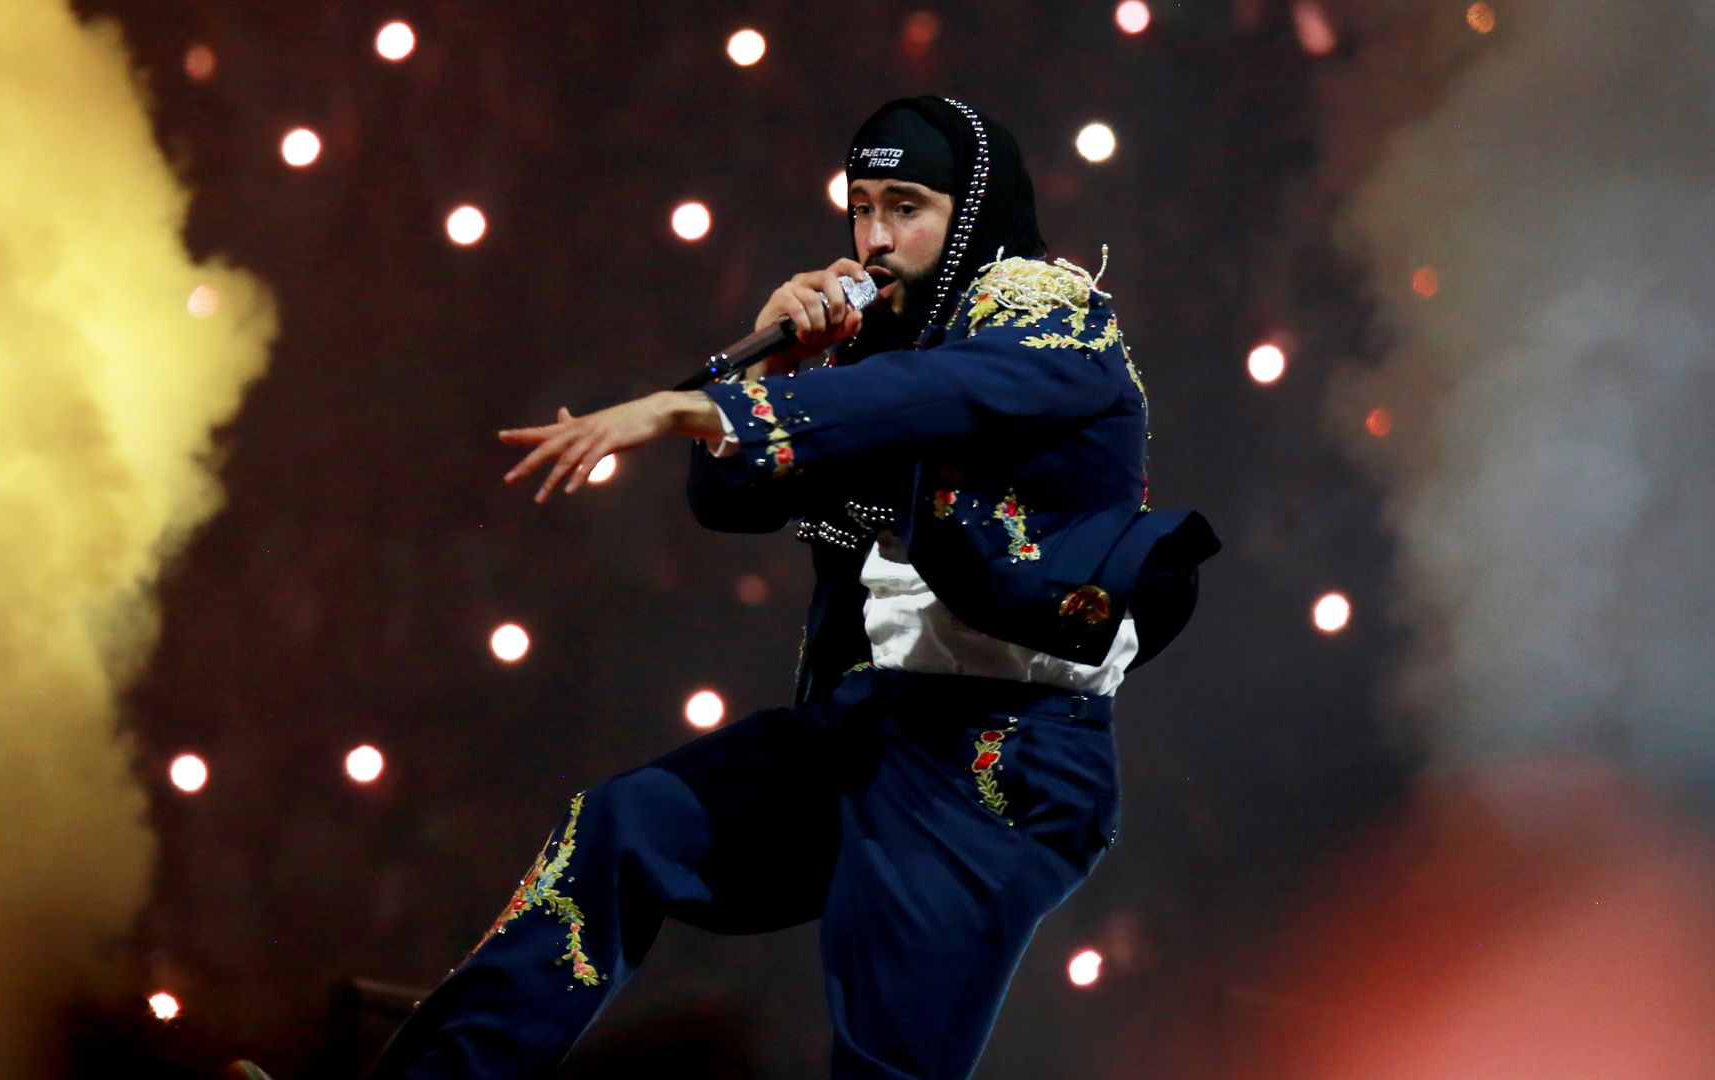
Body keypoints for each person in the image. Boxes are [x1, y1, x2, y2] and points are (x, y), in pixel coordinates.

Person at [368, 95, 1219, 1079]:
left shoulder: (1044, 307)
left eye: (906, 206)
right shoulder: (867, 355)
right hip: (870, 730)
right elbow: (729, 502)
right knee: (620, 827)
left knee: (884, 1061)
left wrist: (692, 406)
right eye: (860, 208)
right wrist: (775, 358)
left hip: (999, 760)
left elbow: (945, 396)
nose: (874, 239)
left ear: (971, 208)